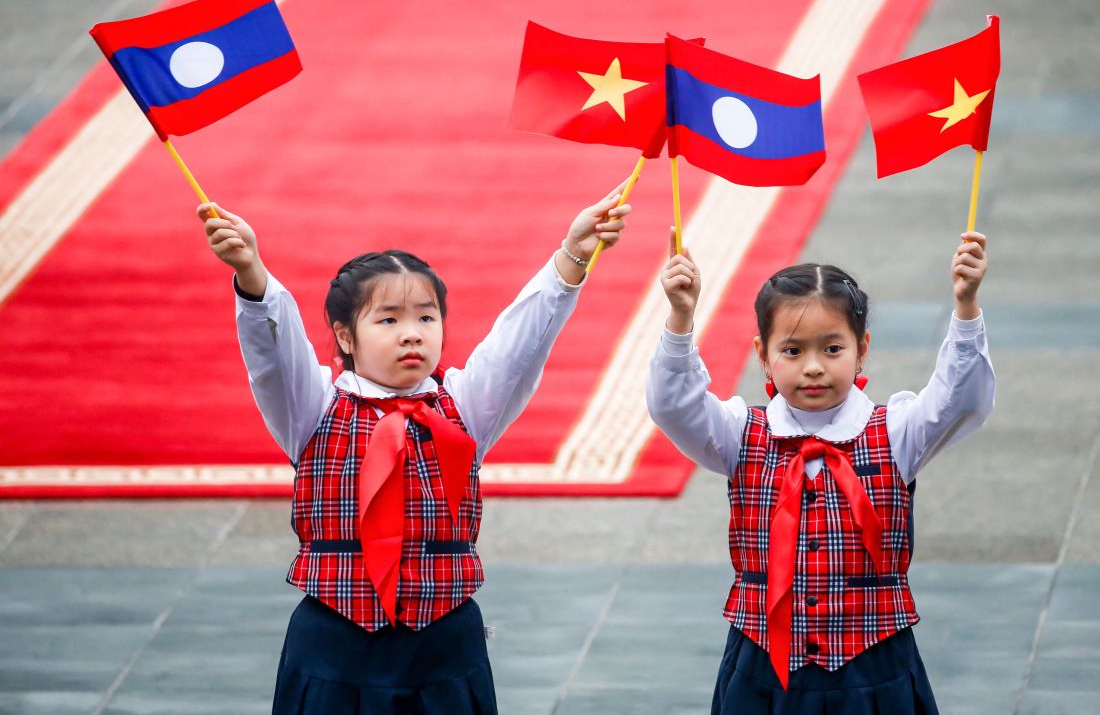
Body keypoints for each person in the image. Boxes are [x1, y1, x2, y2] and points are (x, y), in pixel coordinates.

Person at [198, 187, 629, 715]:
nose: (412, 335)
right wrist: (251, 274)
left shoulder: (463, 407)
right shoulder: (313, 409)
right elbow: (274, 353)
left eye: (426, 318)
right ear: (345, 336)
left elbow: (521, 345)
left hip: (443, 647)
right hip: (335, 646)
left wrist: (573, 257)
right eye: (388, 320)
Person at [647, 228, 994, 714]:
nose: (813, 367)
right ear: (762, 356)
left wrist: (966, 306)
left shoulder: (894, 431)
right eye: (792, 351)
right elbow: (672, 405)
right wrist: (681, 318)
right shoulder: (739, 432)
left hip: (873, 668)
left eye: (832, 349)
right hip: (764, 667)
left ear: (862, 348)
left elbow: (961, 398)